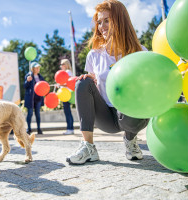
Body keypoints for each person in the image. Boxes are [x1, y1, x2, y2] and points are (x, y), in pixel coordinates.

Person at [66, 0, 149, 165]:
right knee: (82, 82)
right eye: (99, 22)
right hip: (106, 117)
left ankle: (130, 140)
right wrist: (92, 80)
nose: (102, 26)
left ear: (120, 21)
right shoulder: (94, 55)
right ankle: (88, 147)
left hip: (131, 115)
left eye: (107, 21)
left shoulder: (140, 52)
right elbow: (91, 87)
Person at [24, 62, 45, 135]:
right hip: (31, 98)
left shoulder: (40, 77)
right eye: (36, 68)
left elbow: (43, 86)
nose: (38, 69)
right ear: (32, 68)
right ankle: (28, 129)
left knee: (38, 114)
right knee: (29, 114)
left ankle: (39, 129)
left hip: (38, 98)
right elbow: (25, 86)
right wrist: (27, 81)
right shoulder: (28, 75)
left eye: (39, 68)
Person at [59, 59, 74, 135]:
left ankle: (70, 128)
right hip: (65, 94)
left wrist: (60, 85)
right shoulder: (66, 72)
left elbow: (69, 83)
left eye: (62, 64)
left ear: (66, 64)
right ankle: (70, 128)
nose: (61, 66)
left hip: (66, 94)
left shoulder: (68, 72)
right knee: (67, 111)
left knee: (67, 111)